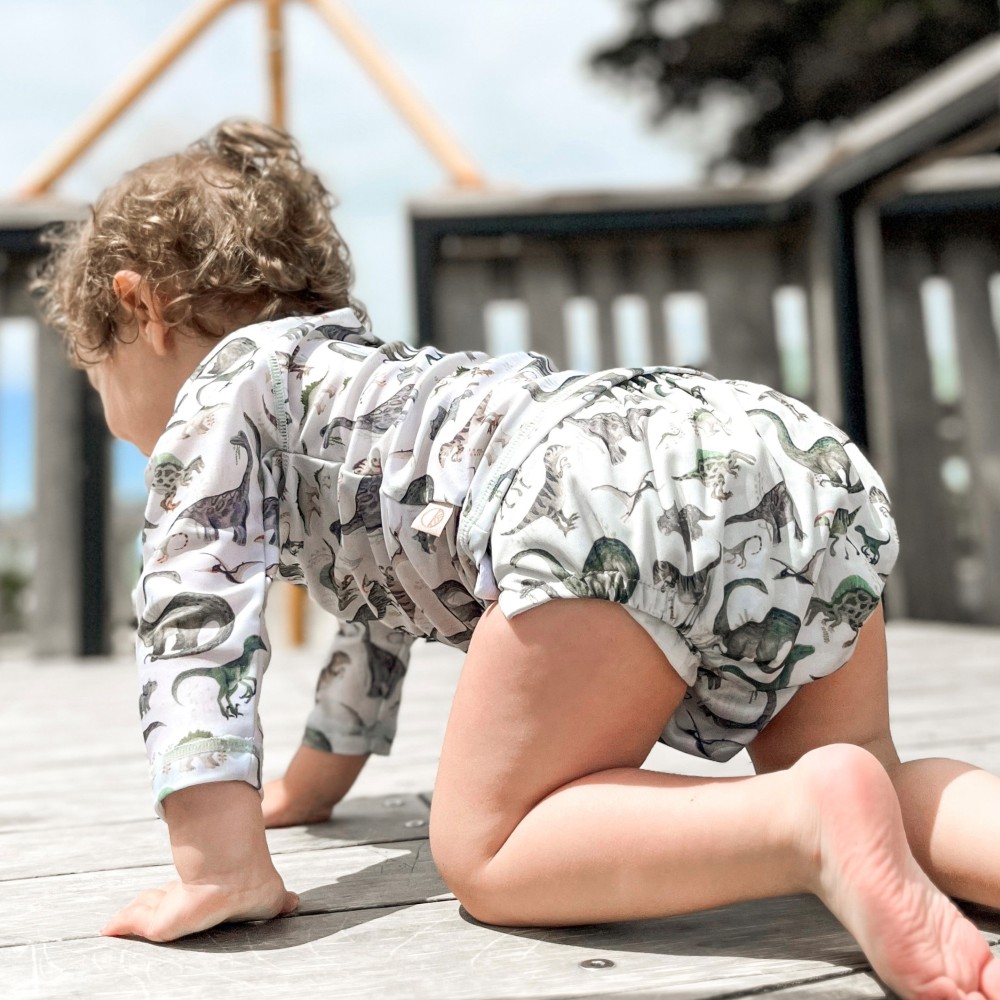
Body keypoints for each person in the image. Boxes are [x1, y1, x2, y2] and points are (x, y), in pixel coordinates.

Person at [32, 118, 1000, 1000]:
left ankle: (807, 823)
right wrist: (310, 785)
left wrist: (216, 857)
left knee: (485, 843)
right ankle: (882, 807)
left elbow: (189, 607)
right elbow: (378, 611)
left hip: (590, 489)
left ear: (142, 310)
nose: (122, 428)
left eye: (99, 374)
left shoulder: (217, 395)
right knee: (874, 769)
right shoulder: (361, 390)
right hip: (768, 454)